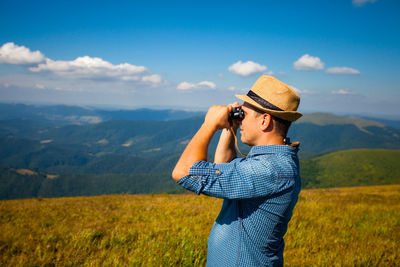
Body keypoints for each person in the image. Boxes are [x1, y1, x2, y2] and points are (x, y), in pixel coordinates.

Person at [172, 75, 302, 266]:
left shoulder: (269, 169)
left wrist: (209, 125)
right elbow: (224, 168)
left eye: (244, 115)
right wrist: (229, 129)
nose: (240, 120)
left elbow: (185, 172)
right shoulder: (273, 162)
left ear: (265, 121)